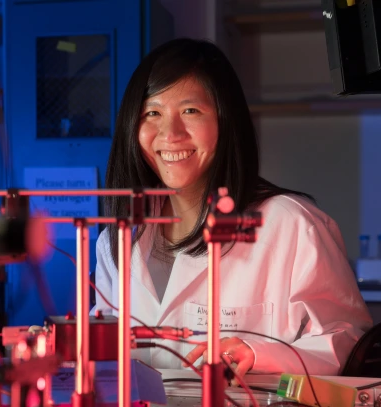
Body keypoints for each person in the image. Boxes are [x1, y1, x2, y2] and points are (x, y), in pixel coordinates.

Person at [91, 38, 372, 381]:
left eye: (190, 111)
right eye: (152, 113)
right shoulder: (119, 239)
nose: (171, 133)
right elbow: (104, 347)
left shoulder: (291, 225)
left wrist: (257, 353)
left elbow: (349, 344)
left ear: (226, 121)